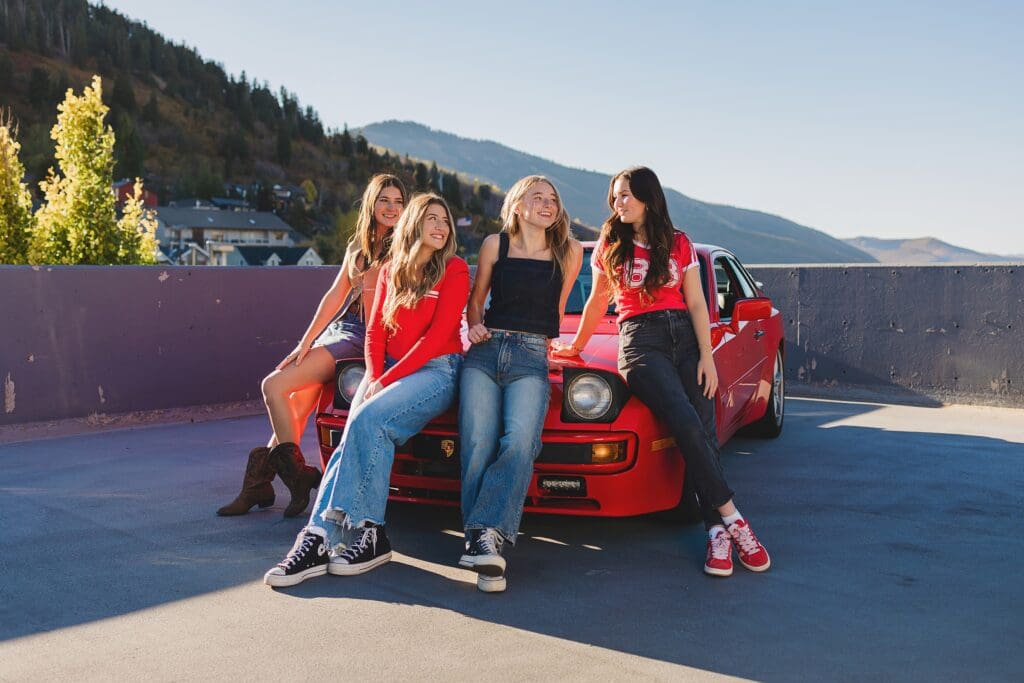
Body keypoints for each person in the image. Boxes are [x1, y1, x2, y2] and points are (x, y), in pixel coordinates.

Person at [553, 166, 770, 577]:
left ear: (649, 199)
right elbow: (599, 301)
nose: (619, 202)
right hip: (640, 344)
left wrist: (708, 356)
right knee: (685, 419)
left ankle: (716, 535)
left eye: (627, 195)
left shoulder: (678, 243)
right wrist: (577, 346)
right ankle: (735, 517)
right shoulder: (609, 245)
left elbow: (696, 303)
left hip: (686, 338)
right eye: (615, 195)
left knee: (703, 427)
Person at [264, 193, 469, 587]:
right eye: (432, 219)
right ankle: (332, 536)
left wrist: (385, 382)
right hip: (386, 369)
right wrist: (375, 373)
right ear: (413, 224)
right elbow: (374, 330)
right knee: (352, 435)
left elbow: (438, 338)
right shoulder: (391, 269)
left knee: (369, 419)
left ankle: (344, 535)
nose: (441, 227)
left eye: (445, 219)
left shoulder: (455, 270)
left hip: (436, 371)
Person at [217, 174, 407, 518]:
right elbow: (334, 296)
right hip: (341, 329)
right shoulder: (357, 248)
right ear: (371, 204)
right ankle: (259, 486)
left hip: (365, 336)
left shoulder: (407, 247)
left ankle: (297, 479)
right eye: (384, 200)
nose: (391, 208)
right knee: (295, 405)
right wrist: (305, 343)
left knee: (272, 386)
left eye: (398, 201)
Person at [457, 176, 582, 593]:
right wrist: (474, 325)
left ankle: (485, 531)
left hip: (531, 355)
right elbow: (476, 299)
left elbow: (557, 311)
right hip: (487, 349)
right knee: (476, 443)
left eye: (553, 199)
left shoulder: (570, 251)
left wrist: (561, 344)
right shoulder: (497, 244)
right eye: (538, 197)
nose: (547, 205)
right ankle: (483, 544)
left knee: (521, 441)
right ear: (517, 204)